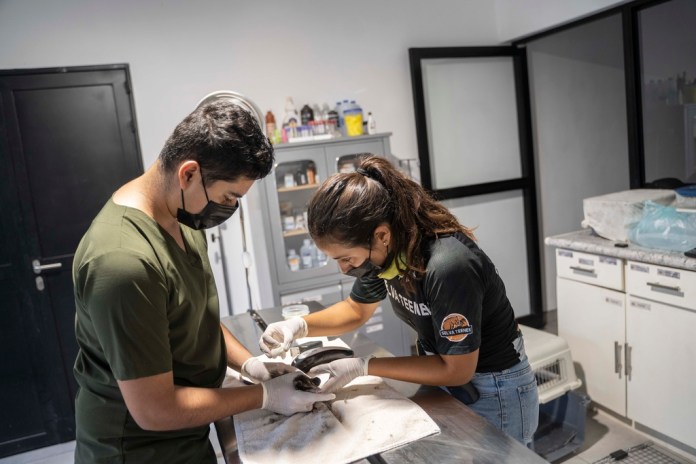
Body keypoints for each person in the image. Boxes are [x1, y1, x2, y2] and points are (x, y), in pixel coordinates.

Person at [72, 99, 334, 463]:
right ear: (189, 173)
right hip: (138, 450)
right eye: (229, 196)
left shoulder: (180, 217)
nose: (228, 208)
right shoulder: (123, 263)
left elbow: (195, 318)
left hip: (188, 434)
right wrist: (265, 396)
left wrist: (251, 366)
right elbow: (154, 409)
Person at [259, 155, 539, 446]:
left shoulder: (448, 266)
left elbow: (458, 369)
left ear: (381, 235)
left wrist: (363, 366)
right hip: (443, 372)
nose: (344, 269)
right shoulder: (385, 254)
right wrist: (296, 326)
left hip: (494, 387)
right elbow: (356, 310)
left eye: (345, 258)